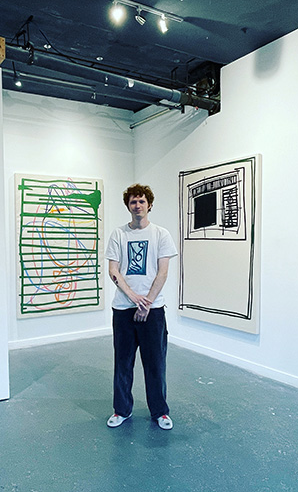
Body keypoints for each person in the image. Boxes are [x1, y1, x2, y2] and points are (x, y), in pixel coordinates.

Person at [104, 183, 178, 430]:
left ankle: (160, 411)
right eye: (133, 202)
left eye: (142, 201)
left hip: (153, 311)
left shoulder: (161, 235)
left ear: (149, 205)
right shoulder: (118, 234)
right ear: (128, 206)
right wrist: (133, 297)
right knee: (123, 363)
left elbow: (163, 271)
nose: (138, 205)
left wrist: (147, 303)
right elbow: (113, 270)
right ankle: (121, 410)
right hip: (123, 310)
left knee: (155, 363)